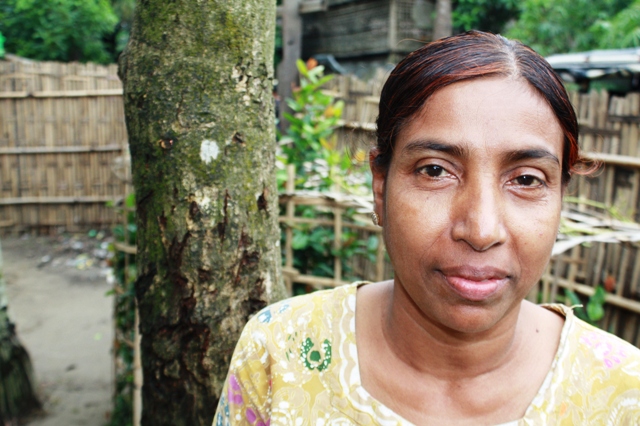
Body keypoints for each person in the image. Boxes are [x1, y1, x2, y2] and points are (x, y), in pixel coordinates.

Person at [213, 31, 640, 425]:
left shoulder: (622, 392)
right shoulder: (281, 354)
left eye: (526, 179)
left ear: (561, 197)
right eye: (435, 170)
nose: (481, 229)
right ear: (380, 187)